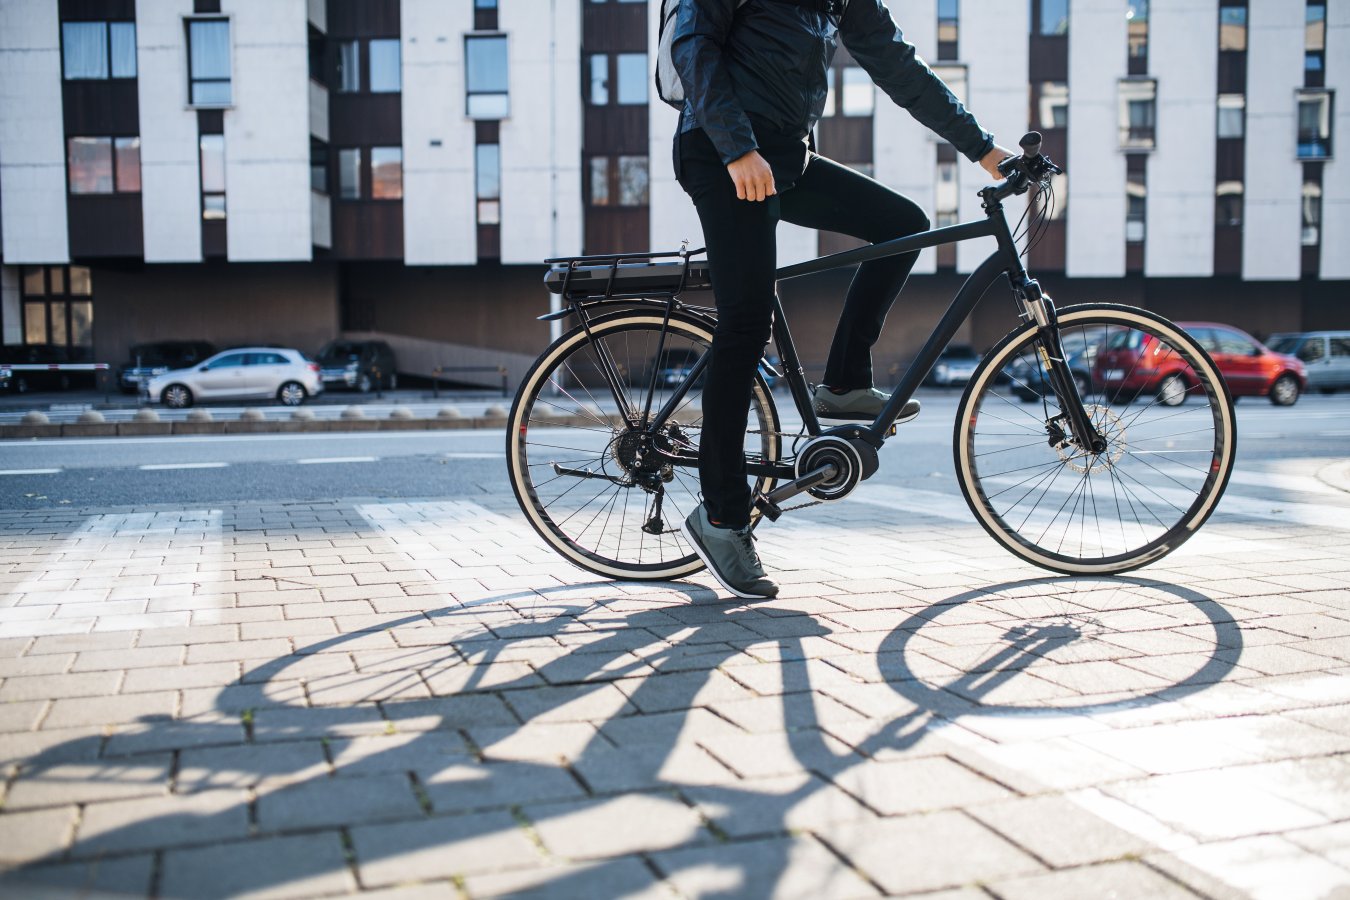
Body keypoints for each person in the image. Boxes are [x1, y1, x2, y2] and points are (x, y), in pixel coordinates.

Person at [671, 0, 1015, 599]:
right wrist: (735, 148)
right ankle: (722, 517)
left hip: (785, 157)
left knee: (903, 224)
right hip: (721, 150)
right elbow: (692, 45)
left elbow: (899, 67)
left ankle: (844, 383)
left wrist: (984, 150)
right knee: (746, 325)